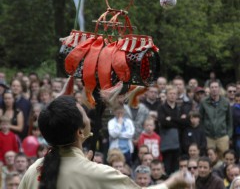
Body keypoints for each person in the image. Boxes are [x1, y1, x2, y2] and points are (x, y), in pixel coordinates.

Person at [18, 95, 194, 189]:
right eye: (85, 114)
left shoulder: (33, 170)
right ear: (80, 131)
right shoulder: (96, 172)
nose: (88, 117)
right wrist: (172, 183)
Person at [158, 85, 187, 175]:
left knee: (176, 169)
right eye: (170, 93)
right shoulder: (161, 108)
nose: (172, 95)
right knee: (167, 168)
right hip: (166, 143)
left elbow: (184, 123)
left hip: (178, 143)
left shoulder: (180, 108)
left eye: (174, 94)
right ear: (166, 95)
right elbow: (163, 123)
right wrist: (178, 120)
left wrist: (171, 119)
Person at [199, 80, 233, 158]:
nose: (214, 89)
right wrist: (203, 132)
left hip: (222, 136)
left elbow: (229, 120)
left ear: (219, 88)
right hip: (208, 136)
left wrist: (229, 135)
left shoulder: (225, 102)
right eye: (212, 87)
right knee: (210, 159)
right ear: (209, 89)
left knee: (224, 158)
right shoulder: (204, 102)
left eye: (216, 87)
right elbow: (201, 118)